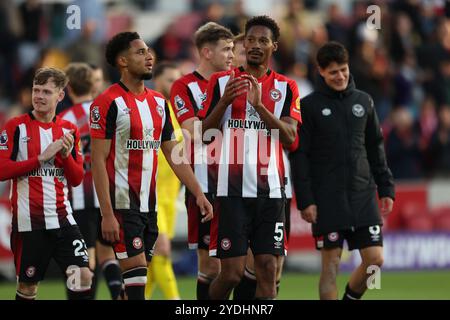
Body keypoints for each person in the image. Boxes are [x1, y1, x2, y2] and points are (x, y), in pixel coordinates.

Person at [90, 31, 213, 300]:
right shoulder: (108, 102)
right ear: (122, 61)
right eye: (140, 52)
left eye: (148, 51)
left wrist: (198, 192)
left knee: (136, 280)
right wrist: (107, 214)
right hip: (123, 205)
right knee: (136, 277)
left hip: (150, 205)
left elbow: (174, 153)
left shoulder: (159, 104)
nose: (149, 56)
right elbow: (98, 161)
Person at [199, 15, 301, 300]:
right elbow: (203, 134)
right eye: (250, 39)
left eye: (263, 41)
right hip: (231, 191)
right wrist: (223, 103)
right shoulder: (221, 82)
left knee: (267, 266)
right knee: (230, 273)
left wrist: (259, 108)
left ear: (274, 47)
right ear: (243, 43)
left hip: (271, 192)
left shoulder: (286, 87)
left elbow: (291, 138)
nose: (255, 45)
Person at [290, 41, 395, 300]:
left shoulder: (364, 101)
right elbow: (300, 157)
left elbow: (375, 147)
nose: (340, 76)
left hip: (362, 195)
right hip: (328, 199)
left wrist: (386, 187)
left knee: (375, 261)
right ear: (321, 72)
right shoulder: (309, 106)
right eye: (334, 71)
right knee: (330, 268)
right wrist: (306, 200)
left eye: (344, 70)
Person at [0, 67, 91, 300]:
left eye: (46, 92)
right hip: (30, 222)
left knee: (81, 276)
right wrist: (40, 158)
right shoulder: (15, 127)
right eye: (35, 90)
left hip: (63, 217)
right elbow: (1, 170)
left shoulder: (69, 129)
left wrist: (64, 156)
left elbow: (76, 178)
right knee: (28, 288)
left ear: (60, 96)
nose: (38, 96)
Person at [169, 22, 234, 300]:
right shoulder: (184, 86)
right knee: (210, 263)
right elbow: (196, 134)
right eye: (226, 49)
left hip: (242, 183)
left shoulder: (238, 79)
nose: (232, 55)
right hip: (205, 182)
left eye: (234, 49)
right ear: (207, 52)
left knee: (245, 262)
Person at [60, 62, 123, 300]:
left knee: (84, 257)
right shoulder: (105, 112)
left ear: (68, 88)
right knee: (107, 252)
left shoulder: (63, 120)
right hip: (107, 194)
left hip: (80, 198)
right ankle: (118, 292)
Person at [145, 61, 182, 300]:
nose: (174, 85)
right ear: (156, 80)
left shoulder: (176, 112)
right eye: (170, 80)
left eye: (177, 80)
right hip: (153, 196)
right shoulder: (152, 111)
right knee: (162, 252)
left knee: (151, 260)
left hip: (170, 197)